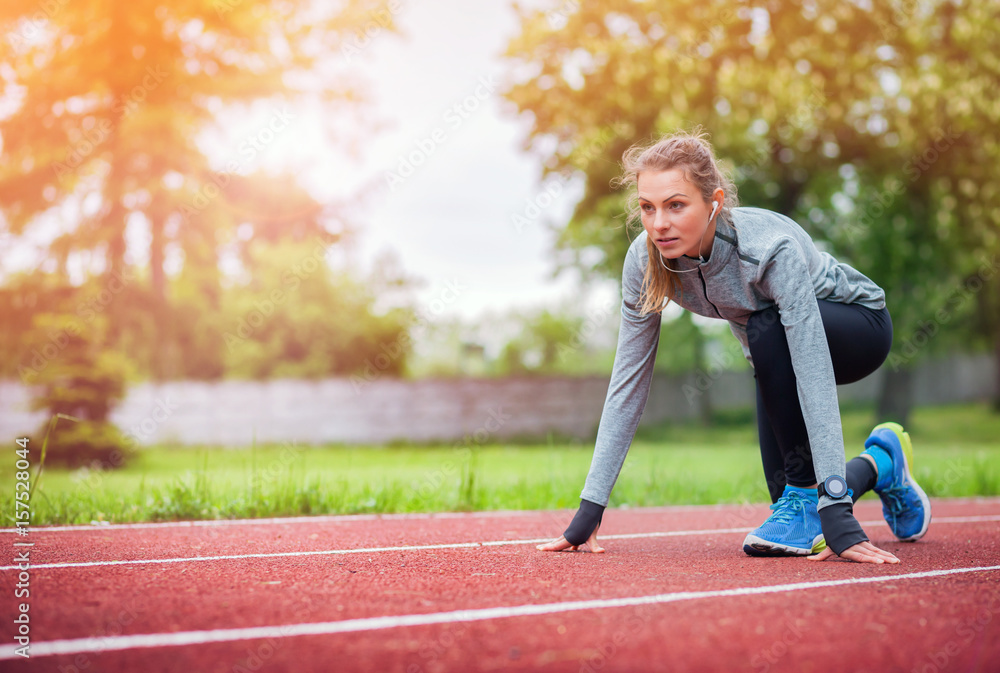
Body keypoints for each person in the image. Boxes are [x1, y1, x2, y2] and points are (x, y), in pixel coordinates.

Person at [536, 130, 931, 564]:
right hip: (775, 352)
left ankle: (813, 497)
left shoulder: (767, 250)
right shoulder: (644, 261)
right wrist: (590, 509)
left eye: (676, 205)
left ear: (714, 203)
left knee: (805, 487)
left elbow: (812, 368)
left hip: (857, 326)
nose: (659, 223)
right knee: (787, 502)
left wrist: (835, 509)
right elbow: (628, 382)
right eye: (647, 208)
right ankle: (881, 463)